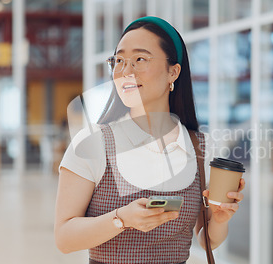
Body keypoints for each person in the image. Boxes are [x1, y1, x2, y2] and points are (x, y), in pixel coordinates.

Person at [54, 16, 245, 264]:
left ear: (173, 72)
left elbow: (206, 239)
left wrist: (219, 219)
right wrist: (121, 219)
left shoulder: (200, 146)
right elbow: (64, 239)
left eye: (140, 59)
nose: (125, 71)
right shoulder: (93, 144)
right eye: (119, 60)